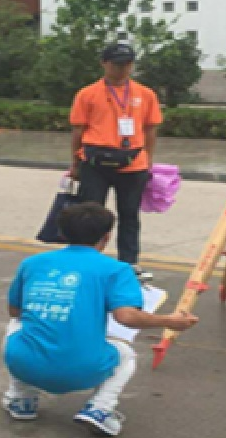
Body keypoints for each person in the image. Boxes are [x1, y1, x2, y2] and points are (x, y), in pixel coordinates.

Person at [2, 202, 198, 436]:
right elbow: (126, 316)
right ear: (107, 236)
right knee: (125, 355)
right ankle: (100, 408)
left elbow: (15, 311)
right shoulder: (116, 270)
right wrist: (170, 321)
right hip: (82, 371)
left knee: (17, 327)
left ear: (62, 233)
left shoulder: (32, 263)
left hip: (26, 366)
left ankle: (22, 399)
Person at [69, 43, 162, 282]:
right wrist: (75, 164)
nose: (122, 69)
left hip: (133, 164)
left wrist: (148, 161)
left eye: (127, 64)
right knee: (90, 214)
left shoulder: (145, 94)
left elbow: (150, 129)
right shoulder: (88, 94)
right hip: (94, 163)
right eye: (116, 64)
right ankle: (87, 262)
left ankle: (128, 263)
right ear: (104, 63)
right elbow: (78, 131)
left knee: (129, 215)